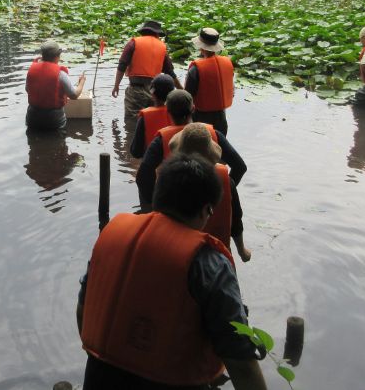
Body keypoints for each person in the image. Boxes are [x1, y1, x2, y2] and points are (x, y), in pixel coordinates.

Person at [77, 154, 267, 390]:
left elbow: (83, 311)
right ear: (206, 210)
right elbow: (241, 363)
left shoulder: (111, 236)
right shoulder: (208, 263)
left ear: (158, 195)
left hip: (99, 377)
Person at [136, 90, 247, 214]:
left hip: (177, 207)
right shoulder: (213, 134)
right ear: (193, 109)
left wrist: (156, 205)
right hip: (209, 205)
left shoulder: (161, 140)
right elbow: (240, 167)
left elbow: (143, 176)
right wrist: (222, 193)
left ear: (168, 111)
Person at [170, 123, 251, 262]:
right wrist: (242, 251)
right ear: (211, 155)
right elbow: (236, 221)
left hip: (179, 253)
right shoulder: (226, 183)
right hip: (218, 255)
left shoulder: (169, 180)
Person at [112, 20, 182, 120]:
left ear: (143, 32)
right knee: (152, 120)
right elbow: (170, 72)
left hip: (136, 91)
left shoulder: (133, 43)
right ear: (157, 34)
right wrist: (181, 90)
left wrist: (116, 86)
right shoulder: (162, 47)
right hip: (155, 93)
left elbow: (122, 65)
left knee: (132, 121)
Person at [25, 40, 86, 130]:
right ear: (57, 57)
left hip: (32, 118)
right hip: (53, 120)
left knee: (33, 139)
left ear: (42, 56)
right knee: (58, 139)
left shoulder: (31, 70)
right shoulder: (60, 74)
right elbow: (74, 95)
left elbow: (27, 89)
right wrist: (82, 82)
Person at [185, 27, 234, 135]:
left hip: (200, 118)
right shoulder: (227, 63)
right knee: (218, 147)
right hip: (221, 118)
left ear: (201, 47)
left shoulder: (196, 69)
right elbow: (232, 91)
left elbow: (187, 97)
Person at [129, 73, 176, 158]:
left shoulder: (145, 116)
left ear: (152, 94)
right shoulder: (181, 112)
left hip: (152, 165)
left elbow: (136, 152)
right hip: (177, 163)